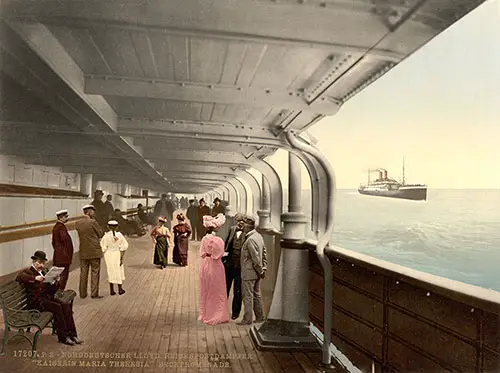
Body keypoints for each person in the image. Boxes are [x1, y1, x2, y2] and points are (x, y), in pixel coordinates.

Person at [16, 250, 83, 346]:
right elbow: (19, 277)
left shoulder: (44, 272)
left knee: (65, 305)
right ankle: (63, 337)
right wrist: (35, 278)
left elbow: (51, 291)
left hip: (46, 298)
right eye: (39, 262)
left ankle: (73, 335)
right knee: (57, 308)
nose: (41, 265)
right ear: (33, 261)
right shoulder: (29, 271)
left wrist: (55, 282)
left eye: (42, 263)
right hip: (36, 302)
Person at [198, 214, 230, 326]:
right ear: (216, 228)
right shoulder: (217, 240)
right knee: (217, 290)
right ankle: (215, 315)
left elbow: (202, 253)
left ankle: (204, 314)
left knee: (206, 289)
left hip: (205, 264)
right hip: (215, 265)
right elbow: (218, 255)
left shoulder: (204, 239)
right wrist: (225, 254)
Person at [238, 216, 267, 325]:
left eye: (243, 224)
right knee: (256, 294)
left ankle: (247, 319)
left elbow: (255, 258)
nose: (242, 226)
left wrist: (260, 270)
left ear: (248, 227)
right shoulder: (258, 236)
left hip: (250, 272)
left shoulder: (250, 240)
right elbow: (264, 253)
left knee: (248, 296)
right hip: (257, 272)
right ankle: (260, 317)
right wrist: (263, 269)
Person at [75, 204, 105, 299]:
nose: (94, 213)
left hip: (83, 251)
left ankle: (83, 293)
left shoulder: (78, 223)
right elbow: (100, 234)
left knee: (83, 273)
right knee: (95, 272)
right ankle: (94, 294)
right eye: (93, 211)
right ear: (89, 211)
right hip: (94, 251)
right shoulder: (93, 222)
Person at [223, 214, 245, 320]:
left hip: (241, 266)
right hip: (229, 264)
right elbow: (227, 243)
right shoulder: (232, 230)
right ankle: (221, 310)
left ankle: (235, 312)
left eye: (242, 221)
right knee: (224, 288)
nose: (240, 223)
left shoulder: (247, 234)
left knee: (238, 289)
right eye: (238, 221)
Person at [100, 220, 128, 296]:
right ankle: (120, 289)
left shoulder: (105, 236)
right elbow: (125, 246)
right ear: (117, 227)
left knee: (110, 270)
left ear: (108, 227)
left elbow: (103, 247)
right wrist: (121, 257)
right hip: (117, 253)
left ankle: (111, 290)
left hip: (108, 254)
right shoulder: (119, 235)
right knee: (118, 270)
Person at [51, 209, 74, 292]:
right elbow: (65, 241)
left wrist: (58, 251)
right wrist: (67, 253)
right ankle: (60, 291)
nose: (67, 218)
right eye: (66, 217)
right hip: (64, 257)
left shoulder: (56, 227)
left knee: (59, 275)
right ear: (61, 217)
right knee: (64, 275)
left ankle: (58, 291)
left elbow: (53, 242)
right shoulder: (61, 227)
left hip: (58, 255)